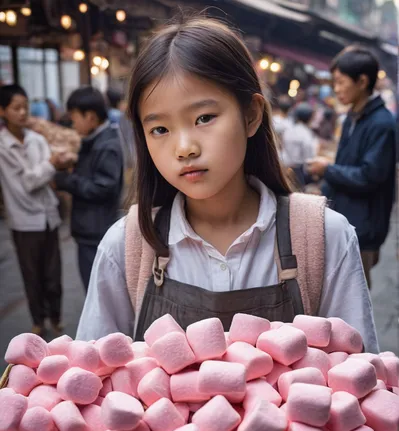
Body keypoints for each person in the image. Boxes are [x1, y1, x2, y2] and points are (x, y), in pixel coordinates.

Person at [76, 17, 378, 353]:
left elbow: (361, 382)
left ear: (251, 115)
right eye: (160, 129)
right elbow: (89, 382)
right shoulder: (127, 247)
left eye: (204, 118)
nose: (184, 148)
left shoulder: (324, 238)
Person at [307, 46, 396, 288]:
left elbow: (370, 176)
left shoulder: (382, 124)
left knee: (354, 303)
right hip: (345, 221)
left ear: (362, 81)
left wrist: (328, 170)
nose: (336, 89)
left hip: (363, 230)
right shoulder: (351, 119)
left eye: (340, 82)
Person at [0, 84, 64, 335]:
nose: (23, 112)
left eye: (25, 107)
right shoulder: (3, 147)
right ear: (2, 111)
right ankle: (38, 320)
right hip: (24, 221)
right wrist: (50, 164)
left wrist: (49, 167)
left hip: (48, 217)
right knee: (32, 275)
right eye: (16, 108)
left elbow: (44, 177)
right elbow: (29, 182)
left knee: (53, 274)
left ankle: (56, 318)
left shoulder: (37, 139)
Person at [53, 86, 124, 291]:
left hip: (95, 228)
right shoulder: (95, 141)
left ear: (91, 117)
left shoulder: (106, 145)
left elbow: (103, 188)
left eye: (75, 117)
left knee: (98, 291)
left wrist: (66, 180)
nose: (73, 122)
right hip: (90, 227)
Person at [281, 102, 319, 168]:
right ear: (309, 117)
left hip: (285, 165)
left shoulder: (289, 130)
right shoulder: (306, 134)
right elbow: (309, 157)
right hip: (299, 169)